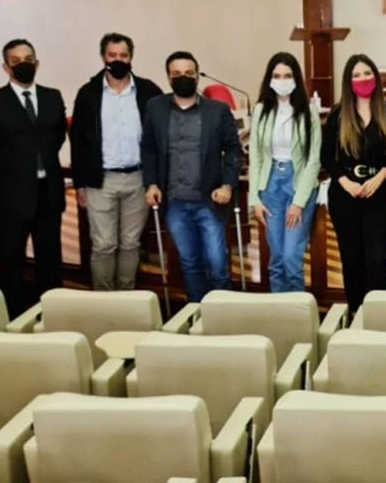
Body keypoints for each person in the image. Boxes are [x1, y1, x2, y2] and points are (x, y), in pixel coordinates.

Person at [141, 51, 242, 303]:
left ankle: (224, 315)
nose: (183, 77)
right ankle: (197, 313)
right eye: (176, 74)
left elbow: (233, 149)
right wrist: (151, 183)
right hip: (174, 200)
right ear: (168, 77)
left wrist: (228, 185)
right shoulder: (155, 107)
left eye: (188, 73)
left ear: (197, 76)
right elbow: (149, 148)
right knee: (189, 263)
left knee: (217, 264)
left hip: (209, 200)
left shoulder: (217, 110)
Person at [0, 39, 68, 312]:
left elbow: (57, 136)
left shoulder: (53, 97)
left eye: (28, 59)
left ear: (37, 63)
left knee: (50, 259)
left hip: (48, 191)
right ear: (6, 67)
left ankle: (53, 314)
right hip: (12, 193)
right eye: (16, 61)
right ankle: (14, 317)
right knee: (11, 261)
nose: (23, 65)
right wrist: (11, 169)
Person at [70, 33, 163, 291]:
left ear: (131, 57)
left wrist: (155, 179)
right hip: (101, 180)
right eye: (112, 55)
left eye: (123, 55)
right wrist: (80, 183)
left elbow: (159, 136)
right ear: (103, 57)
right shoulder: (88, 93)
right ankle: (105, 301)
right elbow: (77, 140)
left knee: (131, 244)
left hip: (138, 179)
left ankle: (126, 297)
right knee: (103, 244)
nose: (118, 60)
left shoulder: (148, 91)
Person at [321, 54, 386, 312]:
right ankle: (357, 313)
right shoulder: (338, 114)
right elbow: (326, 156)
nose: (363, 79)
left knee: (378, 260)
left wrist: (381, 176)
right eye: (356, 75)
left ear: (376, 77)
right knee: (352, 260)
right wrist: (345, 182)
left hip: (379, 195)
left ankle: (383, 315)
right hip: (345, 196)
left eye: (367, 73)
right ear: (348, 81)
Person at [249, 52, 321, 293]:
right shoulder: (261, 110)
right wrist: (254, 198)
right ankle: (279, 309)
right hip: (270, 184)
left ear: (296, 78)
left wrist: (298, 203)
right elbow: (255, 156)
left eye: (287, 76)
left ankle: (299, 310)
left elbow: (313, 160)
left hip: (298, 183)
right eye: (277, 76)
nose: (282, 81)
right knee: (277, 258)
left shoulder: (309, 111)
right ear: (269, 79)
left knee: (291, 257)